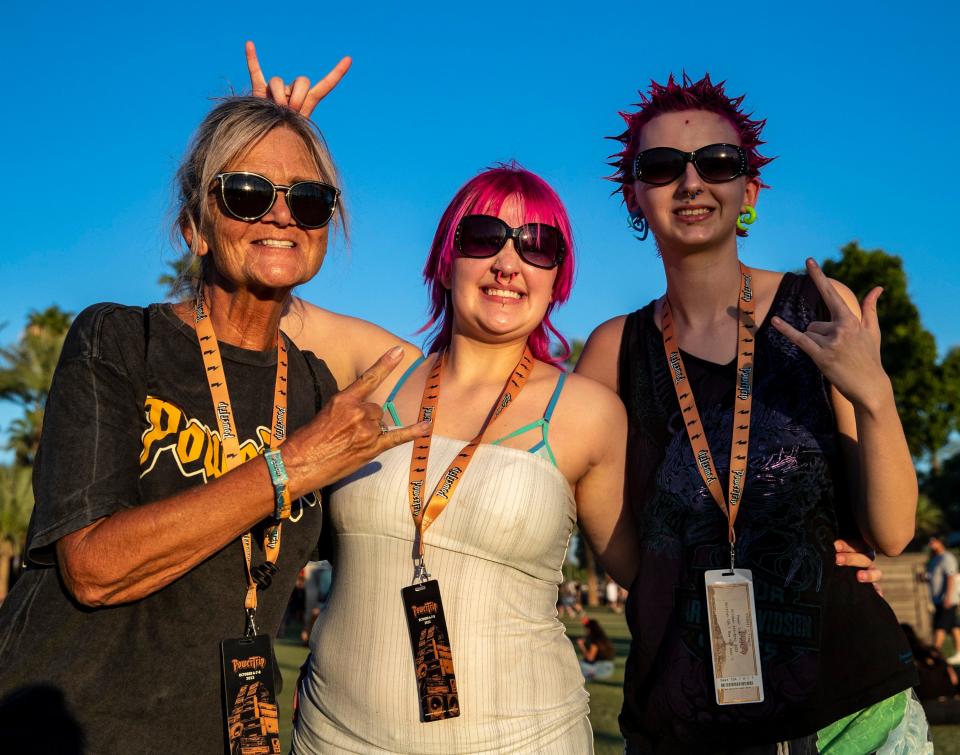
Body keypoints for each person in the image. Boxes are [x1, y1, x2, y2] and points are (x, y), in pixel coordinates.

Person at [0, 96, 428, 753]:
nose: (281, 210)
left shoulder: (318, 390)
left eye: (308, 198)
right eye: (246, 191)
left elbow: (437, 378)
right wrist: (290, 468)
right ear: (193, 227)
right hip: (67, 728)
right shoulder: (118, 340)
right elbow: (93, 565)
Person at [576, 74, 924, 753]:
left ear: (750, 192)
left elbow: (892, 528)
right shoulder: (614, 350)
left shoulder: (820, 308)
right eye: (662, 167)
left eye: (718, 162)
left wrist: (874, 394)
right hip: (686, 723)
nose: (692, 182)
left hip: (851, 717)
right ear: (634, 197)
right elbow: (625, 557)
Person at [291, 164, 636, 753]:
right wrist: (281, 163)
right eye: (483, 237)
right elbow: (257, 293)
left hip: (524, 740)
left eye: (538, 245)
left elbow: (650, 577)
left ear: (559, 277)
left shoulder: (587, 413)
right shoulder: (379, 372)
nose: (509, 262)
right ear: (447, 259)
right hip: (334, 738)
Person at [927, 535, 960, 662]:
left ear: (941, 542)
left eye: (933, 540)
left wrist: (948, 596)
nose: (930, 543)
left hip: (947, 599)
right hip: (938, 599)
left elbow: (951, 576)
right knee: (953, 626)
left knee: (939, 626)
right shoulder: (935, 558)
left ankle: (934, 655)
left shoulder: (947, 557)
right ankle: (959, 652)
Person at [578, 616, 617, 680]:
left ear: (590, 629)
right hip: (609, 668)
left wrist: (582, 646)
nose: (584, 631)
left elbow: (590, 658)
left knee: (577, 665)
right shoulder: (603, 638)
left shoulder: (594, 641)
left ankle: (588, 675)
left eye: (586, 629)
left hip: (600, 669)